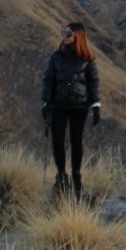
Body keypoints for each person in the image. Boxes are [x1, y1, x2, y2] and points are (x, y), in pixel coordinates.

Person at [41, 22, 101, 200]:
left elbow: (93, 83)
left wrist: (96, 105)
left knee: (76, 142)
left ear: (78, 36)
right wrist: (45, 103)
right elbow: (48, 80)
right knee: (57, 140)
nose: (64, 36)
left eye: (68, 33)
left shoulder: (87, 58)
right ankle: (61, 176)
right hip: (58, 105)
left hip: (79, 106)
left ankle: (76, 177)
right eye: (63, 33)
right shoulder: (55, 57)